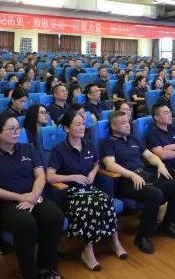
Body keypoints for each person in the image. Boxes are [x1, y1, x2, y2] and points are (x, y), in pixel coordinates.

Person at [0, 115, 64, 279]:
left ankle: (46, 268)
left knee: (54, 216)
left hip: (34, 196)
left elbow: (40, 176)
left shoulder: (28, 149)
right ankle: (29, 274)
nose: (16, 132)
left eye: (18, 128)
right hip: (8, 203)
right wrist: (19, 197)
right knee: (26, 224)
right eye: (11, 129)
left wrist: (33, 197)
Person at [46, 110, 126, 272]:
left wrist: (93, 173)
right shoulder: (59, 150)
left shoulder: (89, 144)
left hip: (89, 188)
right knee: (90, 206)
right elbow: (49, 177)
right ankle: (87, 250)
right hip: (70, 192)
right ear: (67, 128)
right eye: (77, 124)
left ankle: (115, 241)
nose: (82, 127)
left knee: (106, 200)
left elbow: (97, 163)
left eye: (83, 124)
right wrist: (73, 177)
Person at [100, 111, 175, 254]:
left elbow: (149, 156)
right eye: (123, 123)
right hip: (126, 181)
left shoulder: (133, 139)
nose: (128, 125)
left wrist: (160, 164)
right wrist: (131, 175)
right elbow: (110, 165)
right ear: (113, 126)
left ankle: (166, 226)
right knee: (155, 194)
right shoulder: (108, 142)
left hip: (144, 176)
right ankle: (143, 236)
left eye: (128, 122)